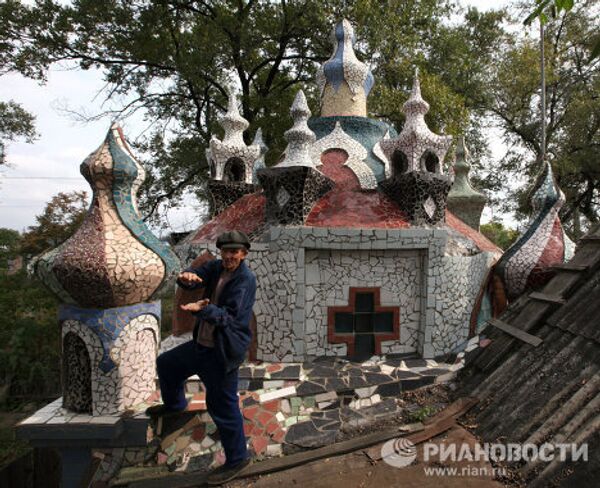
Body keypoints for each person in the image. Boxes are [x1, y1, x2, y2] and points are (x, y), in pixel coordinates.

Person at [146, 230, 256, 485]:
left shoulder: (245, 280)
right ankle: (175, 406)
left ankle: (238, 458)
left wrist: (203, 309)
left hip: (222, 351)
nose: (228, 256)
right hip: (201, 345)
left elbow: (229, 316)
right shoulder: (217, 267)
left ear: (243, 254)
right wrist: (187, 278)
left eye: (234, 252)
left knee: (223, 406)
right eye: (225, 251)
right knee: (167, 364)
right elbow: (196, 278)